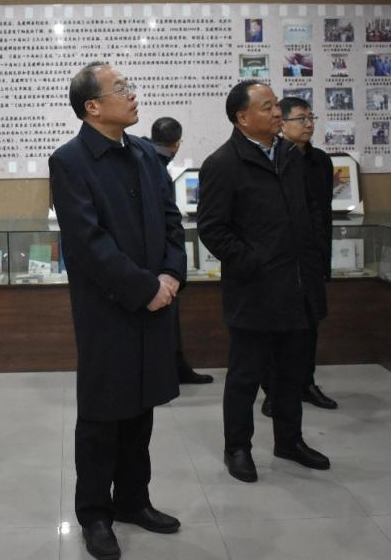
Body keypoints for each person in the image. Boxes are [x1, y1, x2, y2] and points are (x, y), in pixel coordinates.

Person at [50, 62, 186, 560]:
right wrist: (144, 287)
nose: (132, 95)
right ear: (92, 106)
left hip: (155, 300)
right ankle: (95, 514)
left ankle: (133, 500)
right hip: (107, 309)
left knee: (141, 409)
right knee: (102, 416)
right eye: (121, 88)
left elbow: (172, 220)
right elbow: (87, 243)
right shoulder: (70, 161)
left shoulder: (146, 154)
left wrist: (170, 274)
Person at [197, 80, 330, 484]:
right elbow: (212, 229)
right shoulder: (222, 164)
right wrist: (253, 262)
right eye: (268, 106)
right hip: (254, 289)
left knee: (291, 373)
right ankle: (237, 448)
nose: (277, 113)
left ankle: (289, 441)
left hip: (297, 286)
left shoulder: (289, 155)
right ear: (242, 117)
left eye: (276, 106)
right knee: (245, 375)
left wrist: (311, 260)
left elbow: (308, 211)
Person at [261, 97, 338, 417]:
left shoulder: (320, 161)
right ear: (282, 124)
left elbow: (324, 213)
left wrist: (323, 257)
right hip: (281, 261)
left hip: (312, 256)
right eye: (300, 119)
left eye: (311, 118)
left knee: (310, 325)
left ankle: (306, 383)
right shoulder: (274, 159)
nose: (308, 124)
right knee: (277, 330)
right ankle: (273, 390)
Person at [144, 116, 214, 385]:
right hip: (161, 260)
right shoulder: (156, 166)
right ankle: (169, 370)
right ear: (177, 143)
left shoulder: (143, 159)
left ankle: (174, 367)